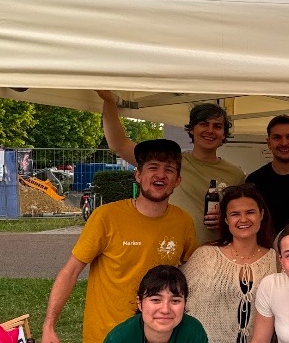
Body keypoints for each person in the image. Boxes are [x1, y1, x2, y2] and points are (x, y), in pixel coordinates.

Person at [41, 138, 197, 343]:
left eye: (169, 170)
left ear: (177, 180)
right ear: (138, 175)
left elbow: (192, 271)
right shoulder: (106, 217)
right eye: (153, 168)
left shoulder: (183, 222)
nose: (160, 175)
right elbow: (70, 271)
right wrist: (49, 325)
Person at [98, 90, 245, 249]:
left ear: (224, 134)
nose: (210, 130)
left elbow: (243, 217)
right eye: (203, 124)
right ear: (191, 129)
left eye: (217, 126)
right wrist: (109, 102)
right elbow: (119, 144)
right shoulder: (169, 164)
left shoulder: (235, 175)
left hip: (216, 254)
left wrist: (225, 218)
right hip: (169, 251)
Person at [181, 183, 277, 343]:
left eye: (250, 212)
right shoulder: (205, 256)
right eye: (235, 214)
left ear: (261, 215)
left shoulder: (275, 260)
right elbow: (180, 302)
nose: (243, 219)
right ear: (225, 219)